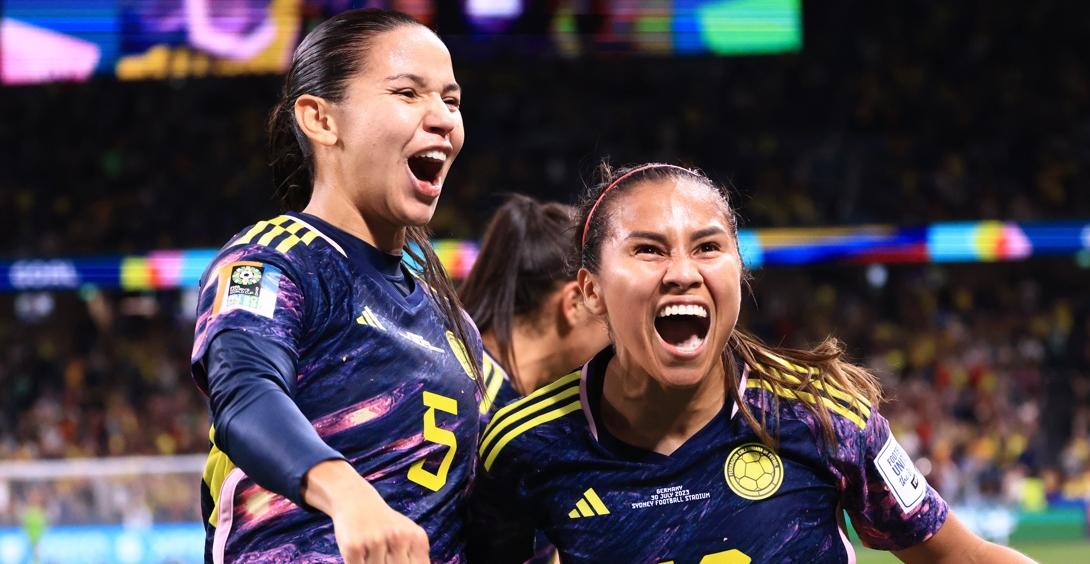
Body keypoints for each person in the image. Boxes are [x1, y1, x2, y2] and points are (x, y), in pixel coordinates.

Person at [469, 163, 1035, 563]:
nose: (683, 272)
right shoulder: (523, 446)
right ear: (591, 291)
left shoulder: (822, 417)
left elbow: (959, 557)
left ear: (738, 273)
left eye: (708, 247)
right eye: (648, 249)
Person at [190, 9, 482, 564]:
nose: (443, 118)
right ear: (321, 119)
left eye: (451, 100)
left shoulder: (454, 324)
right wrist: (347, 494)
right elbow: (245, 392)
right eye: (407, 93)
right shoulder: (275, 258)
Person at [459, 194, 611, 419]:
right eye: (610, 313)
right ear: (575, 303)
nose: (616, 339)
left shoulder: (490, 394)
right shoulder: (473, 403)